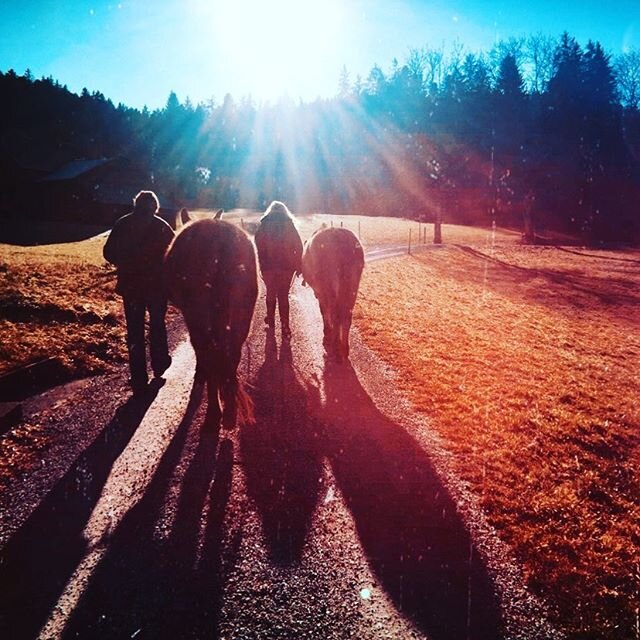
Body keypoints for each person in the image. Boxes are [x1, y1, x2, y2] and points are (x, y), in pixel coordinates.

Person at [103, 190, 175, 393]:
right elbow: (174, 256)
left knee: (134, 331)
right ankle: (160, 363)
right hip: (156, 287)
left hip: (131, 287)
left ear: (136, 204)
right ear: (155, 206)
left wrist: (125, 263)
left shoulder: (122, 223)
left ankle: (138, 377)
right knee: (157, 325)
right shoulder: (162, 227)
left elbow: (108, 253)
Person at [254, 200, 303, 340]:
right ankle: (285, 325)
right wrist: (297, 265)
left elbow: (258, 244)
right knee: (283, 295)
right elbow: (298, 246)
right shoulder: (289, 224)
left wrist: (261, 261)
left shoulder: (264, 224)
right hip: (286, 267)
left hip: (269, 266)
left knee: (270, 292)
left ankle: (270, 320)